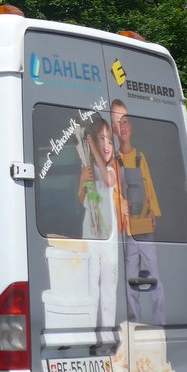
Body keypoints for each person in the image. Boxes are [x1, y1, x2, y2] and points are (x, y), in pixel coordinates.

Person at [111, 99, 166, 325]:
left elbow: (149, 185)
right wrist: (118, 202)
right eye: (117, 122)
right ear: (113, 128)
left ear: (130, 127)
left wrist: (153, 211)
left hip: (143, 224)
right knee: (130, 279)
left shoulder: (140, 156)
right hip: (127, 228)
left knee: (154, 275)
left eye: (125, 122)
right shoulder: (112, 159)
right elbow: (112, 188)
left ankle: (160, 323)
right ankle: (134, 322)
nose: (122, 127)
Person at [78, 114, 125, 348]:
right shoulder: (87, 169)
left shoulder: (111, 171)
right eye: (101, 140)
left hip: (108, 240)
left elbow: (107, 182)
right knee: (91, 289)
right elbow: (80, 200)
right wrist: (82, 182)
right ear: (93, 142)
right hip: (90, 236)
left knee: (108, 290)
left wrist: (93, 152)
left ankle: (107, 336)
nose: (107, 145)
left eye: (109, 140)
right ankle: (88, 335)